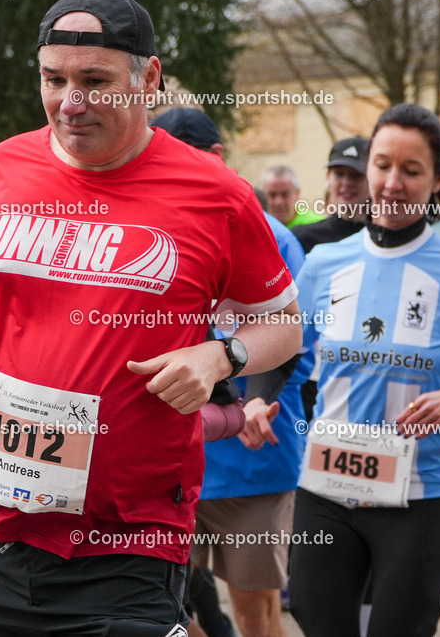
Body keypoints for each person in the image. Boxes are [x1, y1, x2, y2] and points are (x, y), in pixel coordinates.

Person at [0, 0, 302, 634]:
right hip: (0, 520)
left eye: (94, 81)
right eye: (53, 79)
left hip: (131, 534)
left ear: (150, 78)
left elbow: (282, 322)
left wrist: (220, 354)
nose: (70, 101)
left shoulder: (215, 194)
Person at [285, 103, 440, 637]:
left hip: (418, 496)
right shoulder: (325, 263)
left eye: (411, 170)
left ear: (439, 179)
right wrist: (258, 400)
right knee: (316, 618)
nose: (392, 183)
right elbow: (285, 352)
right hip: (325, 487)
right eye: (382, 165)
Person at [152, 106, 306, 637]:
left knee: (254, 615)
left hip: (252, 459)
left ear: (216, 157)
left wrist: (257, 399)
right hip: (171, 459)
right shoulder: (153, 233)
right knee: (161, 611)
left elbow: (293, 337)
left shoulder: (272, 236)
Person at [292, 136, 369, 253]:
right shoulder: (302, 239)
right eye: (339, 174)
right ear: (328, 177)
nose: (346, 183)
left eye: (356, 175)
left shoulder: (386, 240)